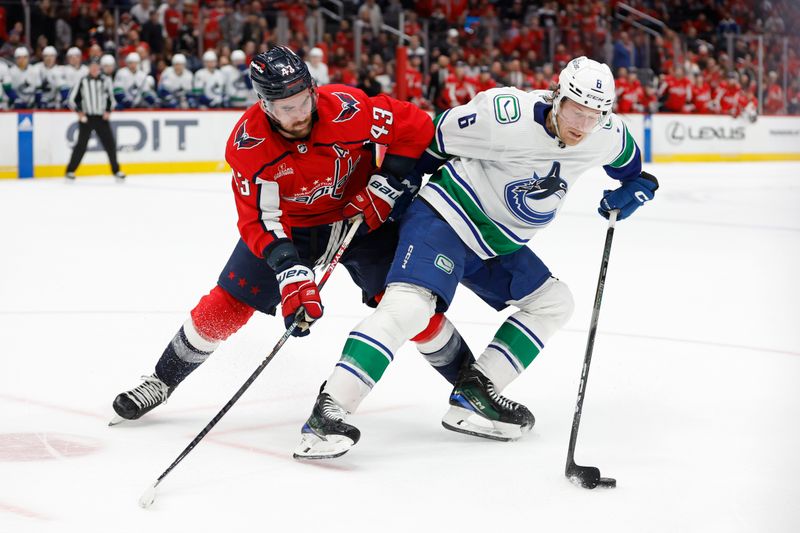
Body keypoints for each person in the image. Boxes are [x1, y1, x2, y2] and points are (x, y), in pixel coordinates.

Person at [294, 56, 659, 459]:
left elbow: (632, 168)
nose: (582, 125)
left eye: (595, 115)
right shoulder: (505, 116)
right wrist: (399, 184)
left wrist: (640, 187)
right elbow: (435, 138)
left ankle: (474, 392)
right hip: (447, 216)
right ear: (558, 95)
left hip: (499, 244)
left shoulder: (605, 134)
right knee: (410, 307)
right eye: (576, 110)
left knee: (555, 303)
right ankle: (328, 412)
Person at [110, 47, 468, 426]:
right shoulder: (249, 145)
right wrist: (289, 270)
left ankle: (472, 386)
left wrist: (391, 179)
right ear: (264, 105)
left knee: (407, 302)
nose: (299, 115)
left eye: (303, 101)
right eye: (285, 108)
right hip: (291, 229)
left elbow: (412, 124)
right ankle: (160, 382)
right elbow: (258, 220)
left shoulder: (348, 107)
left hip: (360, 219)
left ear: (312, 89)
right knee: (228, 302)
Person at [65, 57, 125, 181]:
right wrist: (79, 112)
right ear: (88, 67)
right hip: (87, 118)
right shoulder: (82, 80)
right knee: (81, 145)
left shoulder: (106, 80)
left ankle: (116, 170)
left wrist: (108, 111)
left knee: (110, 145)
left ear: (99, 68)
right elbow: (71, 99)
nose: (94, 68)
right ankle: (70, 171)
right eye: (91, 66)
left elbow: (111, 98)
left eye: (96, 66)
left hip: (101, 118)